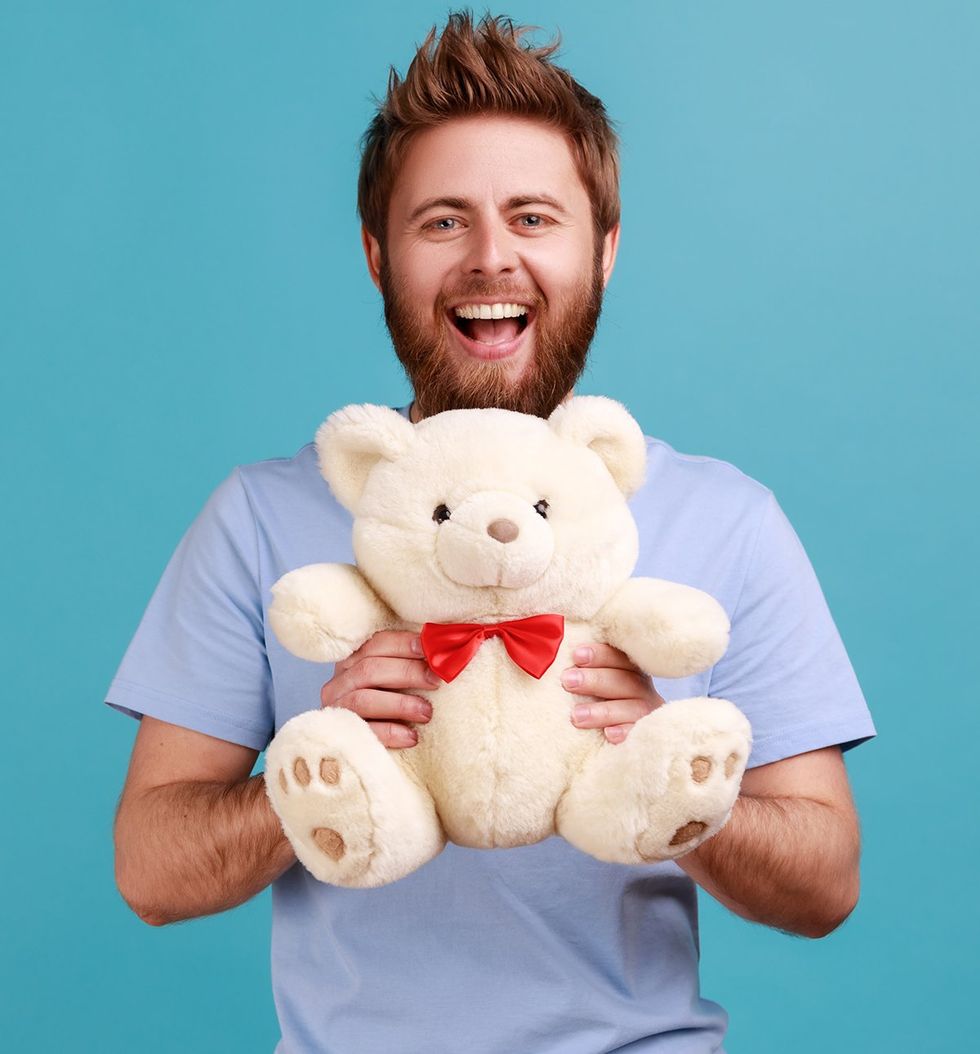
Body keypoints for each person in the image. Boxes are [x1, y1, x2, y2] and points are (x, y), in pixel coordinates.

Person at [108, 12, 876, 1053]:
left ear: (601, 249)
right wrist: (315, 758)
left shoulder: (725, 519)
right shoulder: (260, 518)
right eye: (441, 221)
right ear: (378, 255)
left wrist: (672, 780)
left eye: (532, 217)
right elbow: (151, 871)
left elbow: (823, 882)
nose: (490, 260)